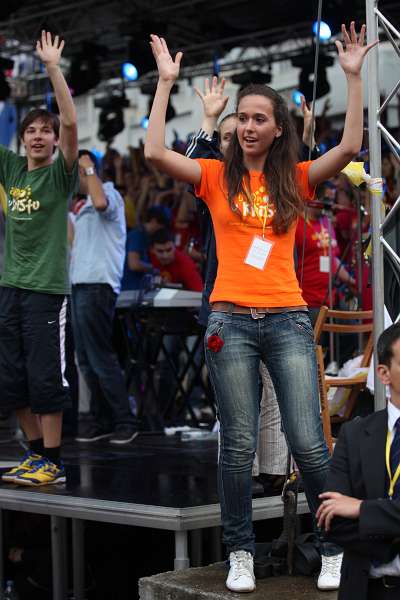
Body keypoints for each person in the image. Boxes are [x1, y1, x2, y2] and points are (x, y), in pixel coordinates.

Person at [144, 24, 377, 592]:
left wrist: (352, 78)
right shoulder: (214, 176)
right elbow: (153, 151)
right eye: (242, 118)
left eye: (258, 119)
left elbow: (349, 150)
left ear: (277, 130)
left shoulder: (294, 178)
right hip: (228, 319)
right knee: (238, 443)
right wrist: (166, 84)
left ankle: (331, 547)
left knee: (308, 439)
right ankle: (240, 551)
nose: (247, 127)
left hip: (288, 319)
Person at [186, 78, 288, 491]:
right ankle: (240, 473)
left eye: (240, 132)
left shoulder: (274, 179)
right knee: (236, 398)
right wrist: (209, 119)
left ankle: (273, 470)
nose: (234, 141)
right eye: (226, 136)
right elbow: (189, 159)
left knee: (272, 392)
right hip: (225, 302)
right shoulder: (214, 184)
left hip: (273, 303)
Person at [0, 31, 79, 486]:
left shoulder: (59, 176)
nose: (38, 136)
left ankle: (54, 460)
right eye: (31, 130)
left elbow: (70, 122)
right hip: (11, 286)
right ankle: (35, 456)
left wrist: (51, 67)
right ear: (21, 138)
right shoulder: (11, 169)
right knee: (12, 378)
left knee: (46, 378)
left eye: (44, 132)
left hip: (47, 290)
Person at [317, 323, 400, 600]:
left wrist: (362, 510)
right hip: (365, 591)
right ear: (384, 374)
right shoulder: (354, 434)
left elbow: (350, 512)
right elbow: (332, 520)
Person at [70, 150, 137, 445]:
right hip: (80, 285)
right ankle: (102, 420)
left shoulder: (108, 193)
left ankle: (125, 420)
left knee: (100, 357)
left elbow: (100, 202)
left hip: (97, 285)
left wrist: (87, 167)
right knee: (85, 360)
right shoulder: (80, 205)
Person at [121, 205, 169, 290]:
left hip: (137, 287)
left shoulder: (146, 237)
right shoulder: (137, 236)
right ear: (154, 221)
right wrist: (154, 269)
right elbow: (134, 264)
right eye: (160, 226)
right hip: (128, 287)